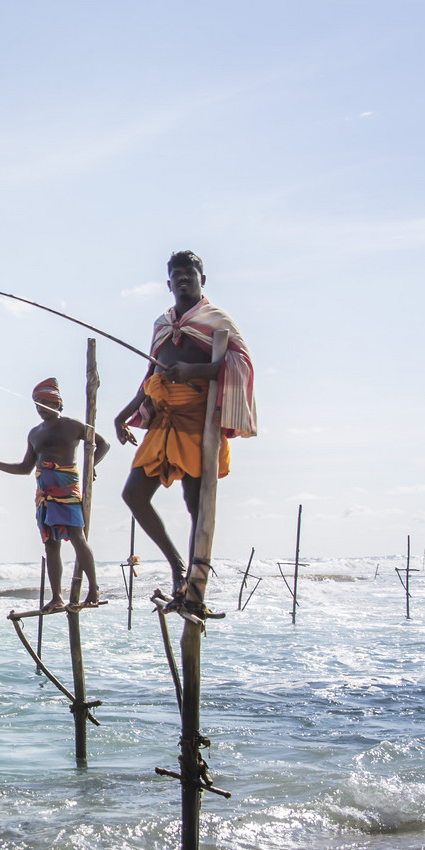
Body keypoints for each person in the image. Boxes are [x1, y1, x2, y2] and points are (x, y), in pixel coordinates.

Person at [113, 251, 257, 605]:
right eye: (176, 275)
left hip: (199, 420)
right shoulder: (162, 324)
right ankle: (177, 565)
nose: (183, 279)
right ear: (168, 283)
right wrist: (123, 415)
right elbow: (152, 374)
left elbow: (237, 364)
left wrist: (193, 372)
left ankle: (194, 582)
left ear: (201, 280)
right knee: (133, 494)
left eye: (189, 274)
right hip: (164, 419)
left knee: (196, 504)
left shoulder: (215, 319)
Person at [0, 378, 111, 611]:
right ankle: (57, 597)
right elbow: (24, 468)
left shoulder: (73, 425)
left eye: (45, 403)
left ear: (57, 403)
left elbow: (103, 444)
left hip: (67, 487)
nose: (40, 408)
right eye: (37, 404)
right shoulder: (34, 434)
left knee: (77, 537)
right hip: (43, 493)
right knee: (50, 544)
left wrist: (91, 466)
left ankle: (93, 588)